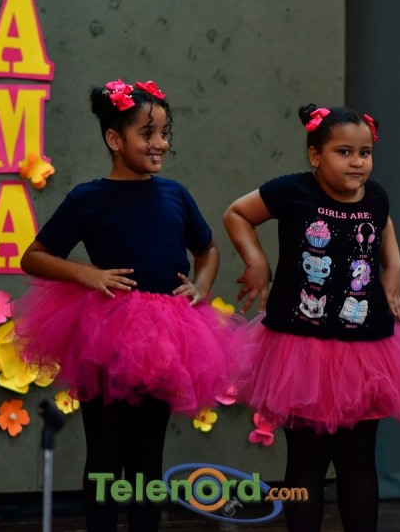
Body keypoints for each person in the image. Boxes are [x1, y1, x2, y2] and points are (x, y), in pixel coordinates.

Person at [13, 79, 239, 532]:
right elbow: (33, 257)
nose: (160, 143)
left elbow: (208, 248)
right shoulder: (88, 198)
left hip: (166, 337)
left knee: (147, 455)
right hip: (108, 334)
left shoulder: (174, 194)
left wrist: (201, 285)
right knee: (104, 452)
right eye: (147, 133)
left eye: (163, 133)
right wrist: (87, 274)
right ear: (115, 140)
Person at [224, 105, 400, 532]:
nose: (357, 162)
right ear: (315, 155)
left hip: (366, 349)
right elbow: (238, 213)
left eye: (365, 152)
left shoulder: (375, 195)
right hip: (301, 348)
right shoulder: (292, 191)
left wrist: (394, 266)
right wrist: (257, 262)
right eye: (344, 152)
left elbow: (382, 223)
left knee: (358, 459)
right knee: (306, 460)